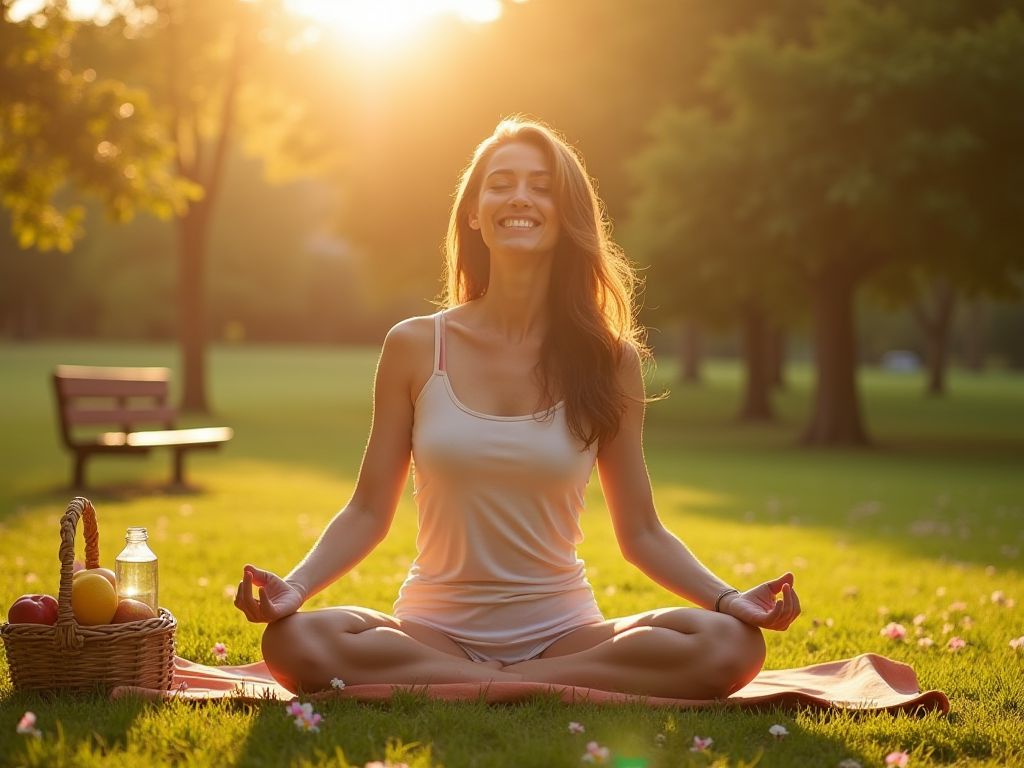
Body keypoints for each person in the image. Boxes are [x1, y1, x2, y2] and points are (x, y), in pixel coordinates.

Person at [234, 116, 801, 698]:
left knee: (730, 644)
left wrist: (730, 600)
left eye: (541, 185)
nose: (520, 197)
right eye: (500, 183)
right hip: (430, 632)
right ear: (474, 212)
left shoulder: (610, 361)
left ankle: (492, 684)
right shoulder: (415, 345)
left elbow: (643, 533)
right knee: (292, 642)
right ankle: (520, 686)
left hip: (565, 634)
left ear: (567, 213)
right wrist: (295, 589)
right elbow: (367, 511)